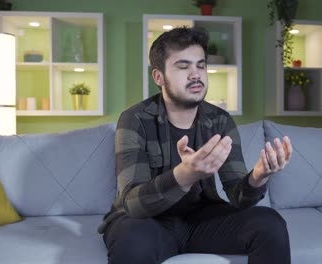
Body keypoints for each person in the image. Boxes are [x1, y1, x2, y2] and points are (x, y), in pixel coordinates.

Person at [98, 26, 293, 264]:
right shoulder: (134, 119)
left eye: (201, 65)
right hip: (147, 222)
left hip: (201, 220)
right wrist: (184, 175)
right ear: (158, 77)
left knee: (270, 224)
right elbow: (133, 204)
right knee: (133, 241)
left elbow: (238, 196)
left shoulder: (220, 120)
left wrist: (258, 177)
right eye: (183, 66)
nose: (195, 74)